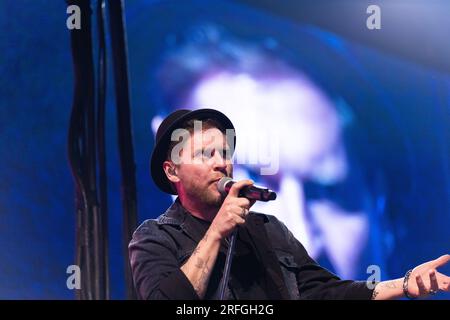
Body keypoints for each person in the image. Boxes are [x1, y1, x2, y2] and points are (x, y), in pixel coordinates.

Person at [128, 108, 450, 300]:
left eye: (224, 154)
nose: (221, 164)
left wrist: (405, 284)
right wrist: (215, 234)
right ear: (172, 172)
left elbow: (324, 292)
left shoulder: (266, 230)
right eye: (204, 155)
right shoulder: (155, 237)